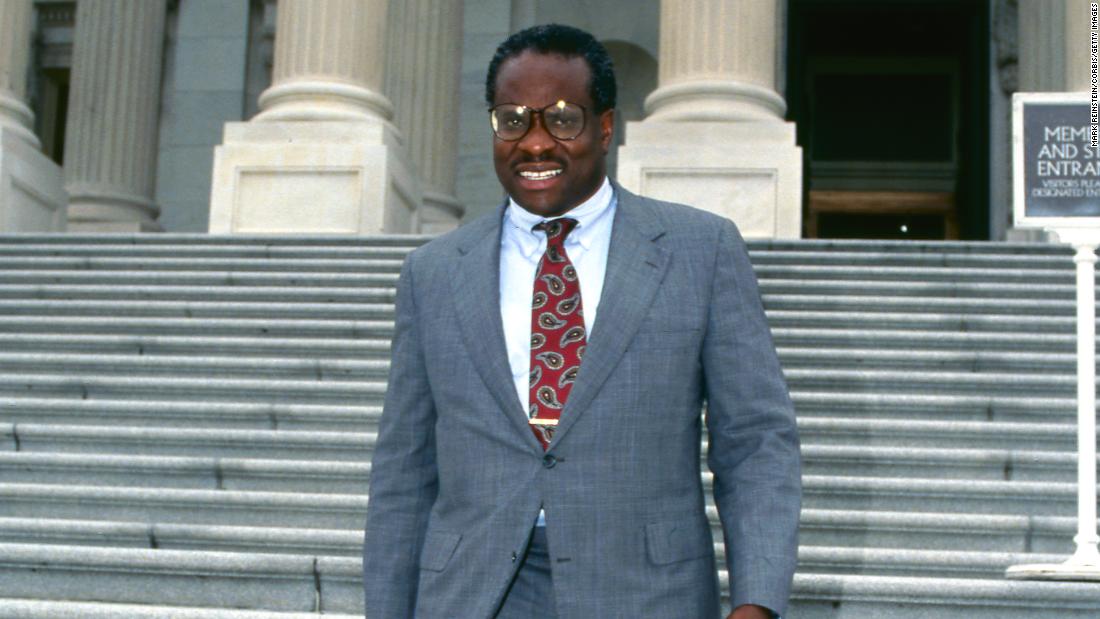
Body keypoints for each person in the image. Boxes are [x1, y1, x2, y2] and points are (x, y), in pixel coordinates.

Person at [363, 23, 801, 619]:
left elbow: (755, 443)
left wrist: (757, 601)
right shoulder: (433, 273)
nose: (535, 142)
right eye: (513, 118)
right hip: (471, 594)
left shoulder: (701, 250)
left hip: (646, 593)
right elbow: (404, 470)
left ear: (605, 126)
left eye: (562, 118)